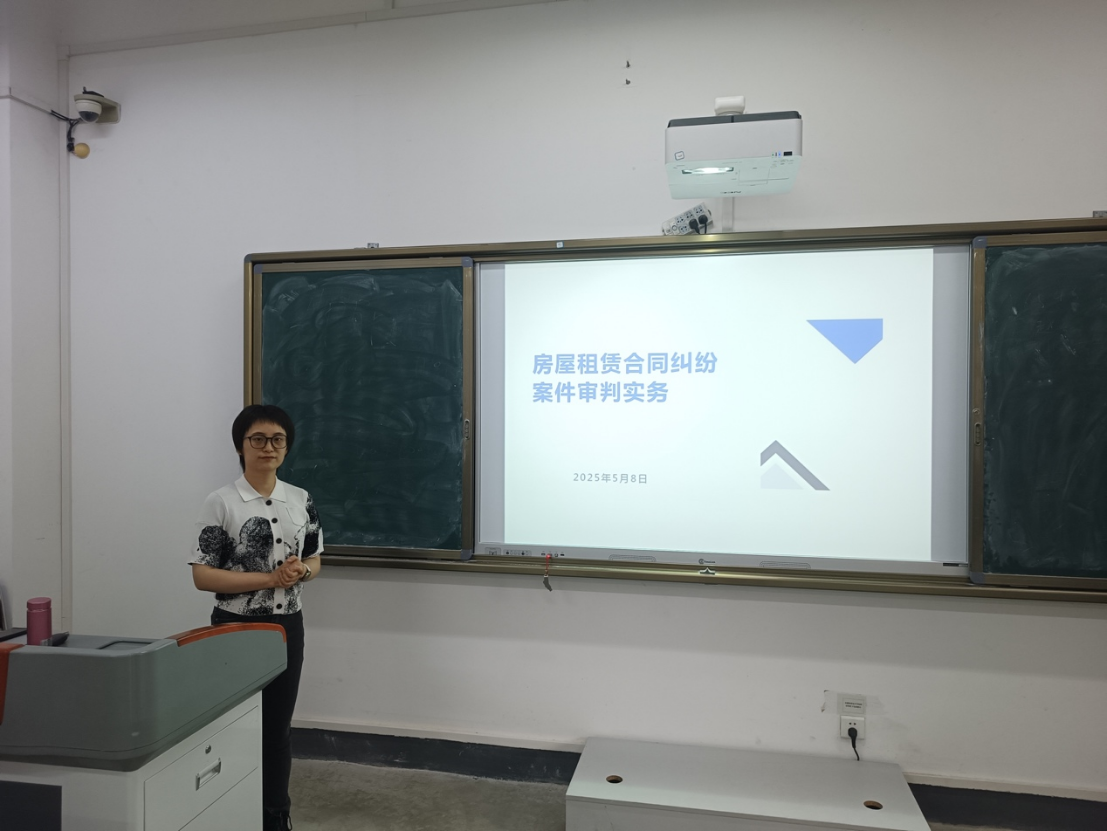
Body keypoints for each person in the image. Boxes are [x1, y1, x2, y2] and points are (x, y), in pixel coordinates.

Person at [189, 404, 322, 831]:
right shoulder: (221, 502)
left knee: (277, 729)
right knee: (234, 724)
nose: (268, 447)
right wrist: (268, 578)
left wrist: (301, 571)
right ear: (240, 447)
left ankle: (275, 817)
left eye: (277, 439)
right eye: (258, 439)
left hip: (288, 628)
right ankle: (230, 811)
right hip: (237, 628)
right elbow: (202, 575)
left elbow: (315, 560)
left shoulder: (300, 499)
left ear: (287, 447)